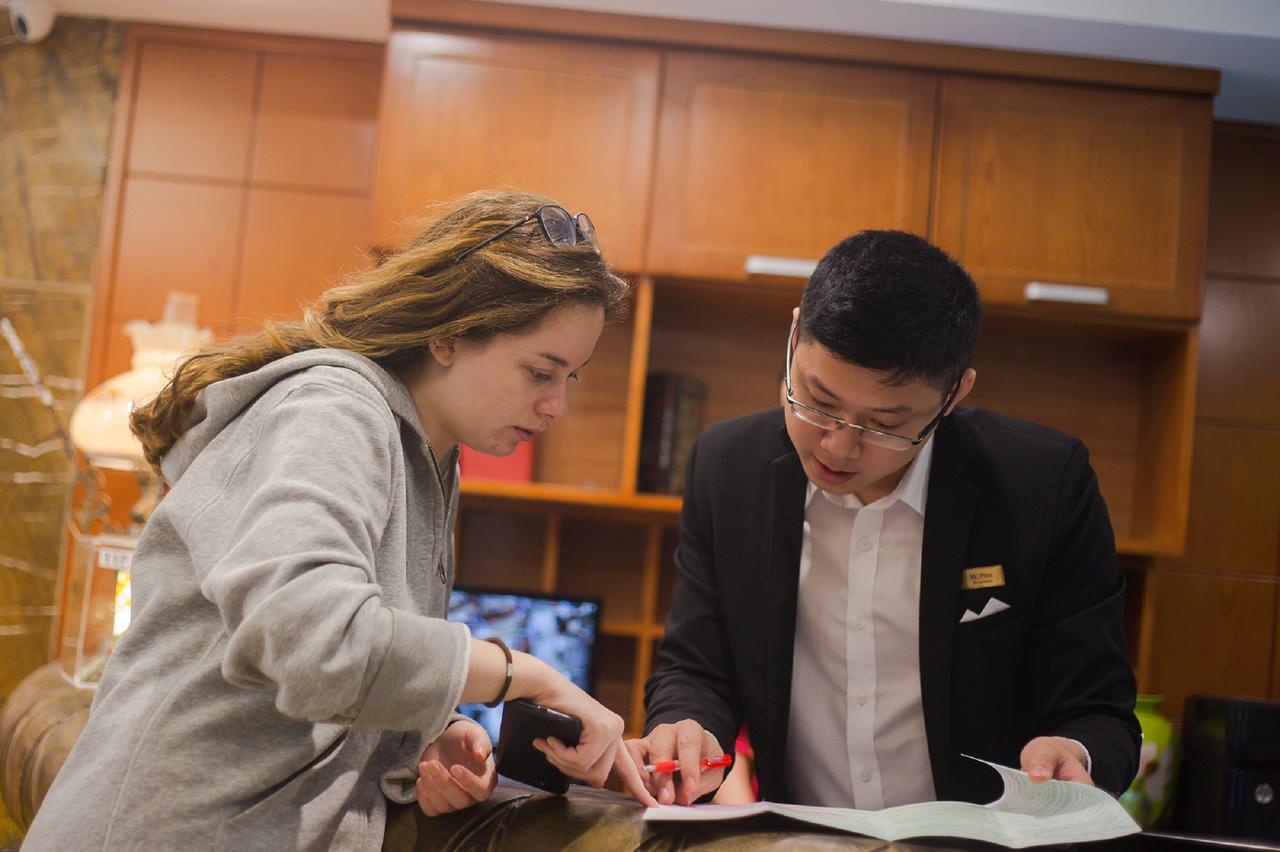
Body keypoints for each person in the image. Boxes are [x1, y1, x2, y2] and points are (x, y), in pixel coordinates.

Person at [24, 190, 656, 851]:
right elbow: (310, 640)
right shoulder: (332, 410)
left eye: (571, 379)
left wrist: (419, 736)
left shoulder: (430, 454)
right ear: (447, 333)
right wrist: (519, 673)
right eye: (539, 372)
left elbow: (306, 685)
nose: (556, 405)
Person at [628, 230, 1140, 809]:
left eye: (887, 425)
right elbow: (696, 667)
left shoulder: (1042, 486)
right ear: (795, 336)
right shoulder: (727, 469)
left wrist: (1075, 749)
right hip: (802, 843)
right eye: (817, 402)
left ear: (953, 394)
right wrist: (686, 725)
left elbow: (1100, 709)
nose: (838, 448)